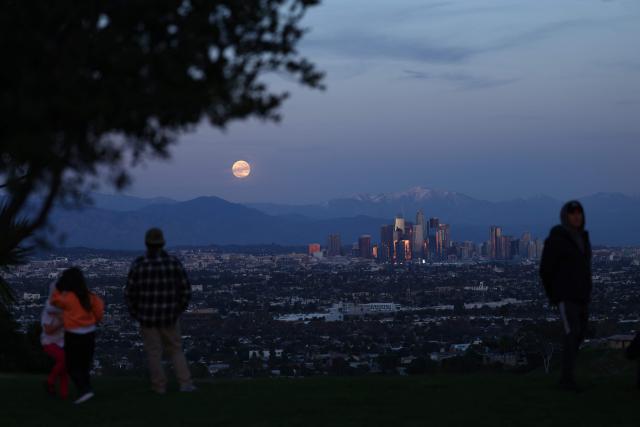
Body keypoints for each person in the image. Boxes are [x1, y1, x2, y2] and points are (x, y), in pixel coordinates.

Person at [125, 228, 195, 394]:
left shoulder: (139, 265)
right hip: (170, 317)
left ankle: (159, 387)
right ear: (162, 243)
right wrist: (177, 310)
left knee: (154, 353)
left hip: (147, 318)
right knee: (176, 349)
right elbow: (185, 290)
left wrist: (137, 313)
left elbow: (130, 293)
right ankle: (185, 384)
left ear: (146, 244)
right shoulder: (173, 263)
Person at [540, 200, 592, 391]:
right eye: (572, 213)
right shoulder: (557, 239)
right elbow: (546, 269)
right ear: (565, 216)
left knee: (579, 334)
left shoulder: (582, 238)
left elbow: (585, 269)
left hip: (581, 296)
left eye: (579, 213)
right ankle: (566, 380)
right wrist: (554, 294)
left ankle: (568, 375)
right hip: (565, 296)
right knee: (572, 334)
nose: (576, 216)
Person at [50, 268, 104, 404]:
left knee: (72, 365)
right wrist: (93, 321)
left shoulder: (68, 298)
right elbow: (99, 312)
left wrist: (57, 286)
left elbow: (54, 301)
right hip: (89, 334)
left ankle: (85, 390)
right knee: (84, 364)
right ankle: (86, 389)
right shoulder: (91, 297)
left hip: (73, 335)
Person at [41, 282, 68, 400]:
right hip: (49, 342)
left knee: (64, 368)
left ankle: (63, 395)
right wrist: (63, 321)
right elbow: (47, 331)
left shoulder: (63, 308)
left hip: (62, 342)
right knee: (65, 359)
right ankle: (50, 381)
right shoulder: (49, 310)